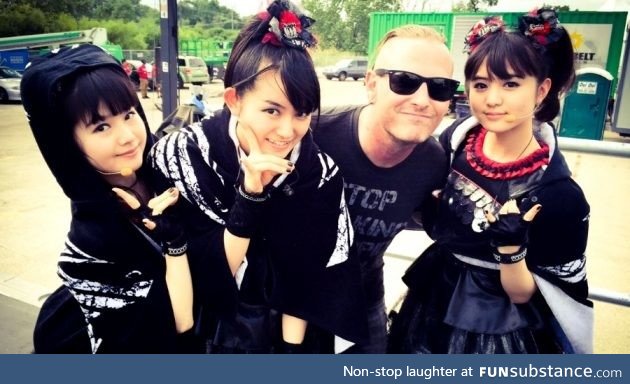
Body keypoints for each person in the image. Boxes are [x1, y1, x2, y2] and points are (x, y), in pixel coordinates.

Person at [150, 0, 366, 353]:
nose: (287, 130)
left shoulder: (319, 174)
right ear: (234, 100)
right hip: (204, 326)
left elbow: (306, 278)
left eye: (302, 113)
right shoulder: (185, 157)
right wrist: (251, 196)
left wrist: (291, 354)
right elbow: (207, 276)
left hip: (284, 329)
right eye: (271, 110)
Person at [388, 9, 593, 354]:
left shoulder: (559, 195)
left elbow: (525, 294)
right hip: (431, 300)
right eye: (481, 85)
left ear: (542, 90)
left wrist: (511, 249)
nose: (492, 100)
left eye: (511, 84)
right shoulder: (454, 142)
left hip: (500, 334)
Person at [21, 44, 196, 353]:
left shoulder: (168, 172)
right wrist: (176, 243)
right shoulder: (92, 242)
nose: (127, 136)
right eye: (101, 126)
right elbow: (172, 326)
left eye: (129, 114)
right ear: (67, 144)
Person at [312, 25, 457, 353]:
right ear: (371, 84)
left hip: (364, 300)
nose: (422, 100)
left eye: (439, 88)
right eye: (404, 81)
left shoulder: (434, 163)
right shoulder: (315, 135)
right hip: (291, 297)